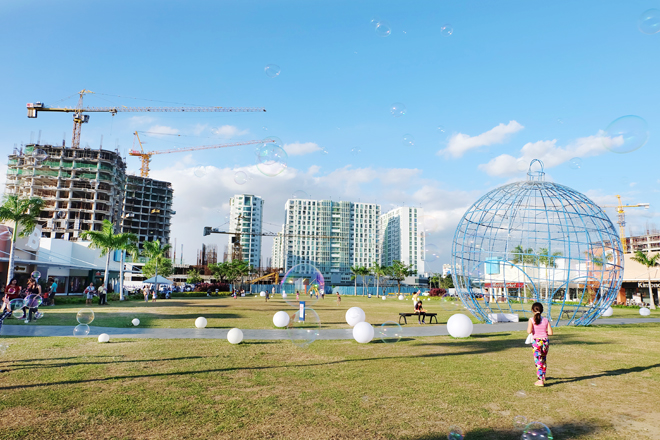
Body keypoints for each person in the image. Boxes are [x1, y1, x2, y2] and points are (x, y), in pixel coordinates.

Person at [527, 302, 554, 387]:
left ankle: (540, 380)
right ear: (542, 310)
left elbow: (529, 331)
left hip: (536, 342)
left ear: (532, 310)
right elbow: (550, 332)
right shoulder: (546, 320)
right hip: (545, 341)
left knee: (538, 360)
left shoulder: (531, 320)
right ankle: (543, 376)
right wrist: (543, 332)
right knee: (543, 359)